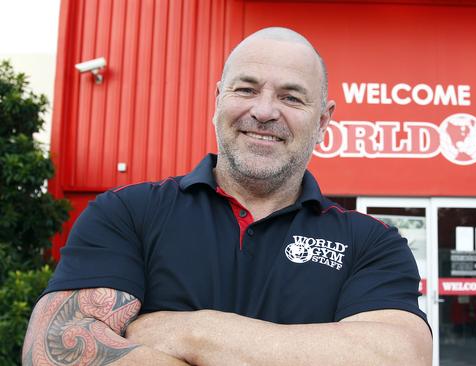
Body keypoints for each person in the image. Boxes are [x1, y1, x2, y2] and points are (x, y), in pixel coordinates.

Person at [22, 27, 432, 365]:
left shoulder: (372, 242)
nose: (265, 111)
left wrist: (194, 333)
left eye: (291, 97)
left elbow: (399, 356)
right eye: (247, 89)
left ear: (323, 120)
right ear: (218, 99)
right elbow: (56, 347)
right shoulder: (129, 212)